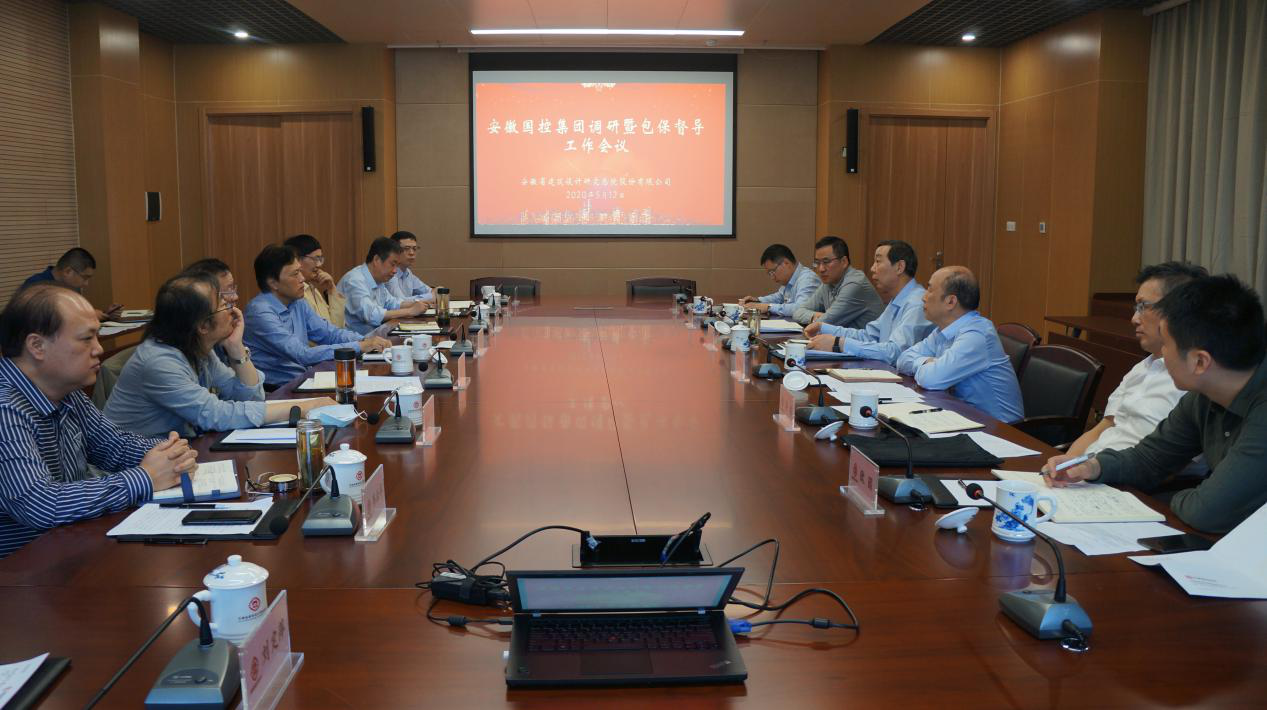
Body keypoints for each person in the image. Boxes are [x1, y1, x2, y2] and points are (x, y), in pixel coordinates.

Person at [1044, 274, 1267, 534]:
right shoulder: (1204, 396)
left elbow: (1207, 512)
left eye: (1167, 344)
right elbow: (1149, 458)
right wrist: (1092, 467)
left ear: (1200, 362)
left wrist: (1177, 500)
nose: (1161, 356)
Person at [0, 284, 197, 558]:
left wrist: (169, 454)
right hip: (21, 569)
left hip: (68, 547)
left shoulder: (65, 391)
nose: (98, 348)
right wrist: (145, 477)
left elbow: (114, 446)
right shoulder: (6, 409)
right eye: (86, 339)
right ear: (37, 346)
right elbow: (40, 505)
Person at [104, 273, 335, 437]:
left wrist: (236, 349)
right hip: (136, 468)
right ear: (203, 326)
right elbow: (215, 414)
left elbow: (250, 399)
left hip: (179, 453)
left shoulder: (196, 347)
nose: (233, 309)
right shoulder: (160, 362)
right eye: (224, 305)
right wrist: (303, 407)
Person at [1064, 262, 1208, 458]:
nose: (1134, 318)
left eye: (1143, 306)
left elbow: (1170, 462)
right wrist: (1067, 462)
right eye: (1136, 307)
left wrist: (1094, 469)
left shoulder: (1196, 380)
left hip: (1127, 473)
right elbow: (1103, 427)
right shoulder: (1143, 367)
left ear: (1178, 311)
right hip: (1095, 466)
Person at [245, 244, 390, 387]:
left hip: (303, 379)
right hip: (277, 390)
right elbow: (302, 354)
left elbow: (328, 333)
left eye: (300, 271)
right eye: (295, 274)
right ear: (273, 283)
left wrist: (365, 340)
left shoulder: (297, 302)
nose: (302, 278)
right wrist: (359, 346)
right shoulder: (259, 313)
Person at [896, 266, 1023, 423]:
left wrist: (926, 365)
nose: (923, 297)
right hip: (963, 417)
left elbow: (931, 379)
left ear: (951, 301)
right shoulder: (943, 330)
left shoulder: (976, 334)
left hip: (1001, 429)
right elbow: (902, 360)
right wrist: (927, 362)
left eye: (930, 290)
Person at [805, 240, 932, 364]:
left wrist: (839, 343)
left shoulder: (917, 303)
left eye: (878, 261)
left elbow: (895, 353)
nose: (872, 268)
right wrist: (824, 327)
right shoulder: (897, 299)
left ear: (899, 267)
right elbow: (868, 336)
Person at [337, 237, 428, 334]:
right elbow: (372, 315)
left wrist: (417, 304)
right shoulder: (354, 281)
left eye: (397, 265)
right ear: (376, 260)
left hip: (375, 336)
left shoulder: (378, 279)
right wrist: (410, 311)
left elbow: (391, 303)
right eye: (393, 264)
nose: (395, 271)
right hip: (356, 340)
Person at [792, 236, 884, 329]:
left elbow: (824, 323)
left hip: (869, 338)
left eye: (826, 261)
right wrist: (814, 316)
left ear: (844, 262)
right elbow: (797, 312)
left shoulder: (855, 284)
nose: (821, 269)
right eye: (817, 262)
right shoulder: (828, 282)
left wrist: (819, 319)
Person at [22, 248, 121, 320]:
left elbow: (75, 313)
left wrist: (106, 314)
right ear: (68, 271)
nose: (86, 284)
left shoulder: (71, 287)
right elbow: (41, 320)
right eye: (85, 277)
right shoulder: (35, 286)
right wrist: (88, 315)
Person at [737, 244, 820, 318]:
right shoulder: (790, 279)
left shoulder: (808, 279)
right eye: (769, 273)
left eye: (772, 272)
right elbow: (779, 297)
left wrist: (768, 307)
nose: (772, 277)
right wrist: (757, 300)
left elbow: (801, 309)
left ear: (786, 263)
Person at [283, 234, 347, 328]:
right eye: (316, 259)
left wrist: (331, 289)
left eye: (320, 259)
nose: (319, 264)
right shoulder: (295, 293)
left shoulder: (313, 289)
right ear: (297, 260)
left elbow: (336, 327)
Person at [385, 231, 435, 303]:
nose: (412, 253)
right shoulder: (389, 273)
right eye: (406, 248)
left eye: (414, 248)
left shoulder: (407, 272)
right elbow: (400, 302)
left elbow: (429, 291)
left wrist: (437, 291)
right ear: (394, 251)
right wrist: (431, 297)